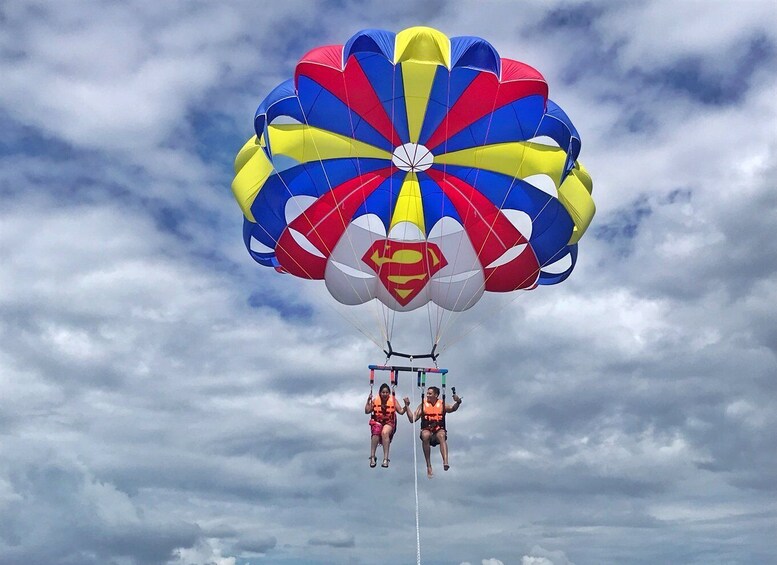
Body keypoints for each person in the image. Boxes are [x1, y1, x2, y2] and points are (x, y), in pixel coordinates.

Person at [407, 386, 462, 478]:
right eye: (427, 393)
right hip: (427, 429)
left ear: (436, 395)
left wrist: (458, 402)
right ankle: (428, 465)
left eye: (430, 393)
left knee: (441, 435)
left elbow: (453, 408)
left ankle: (445, 461)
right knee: (425, 435)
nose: (427, 395)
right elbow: (412, 419)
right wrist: (407, 406)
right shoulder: (423, 405)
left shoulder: (442, 404)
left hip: (438, 430)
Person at [365, 383, 411, 468]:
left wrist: (406, 405)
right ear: (380, 393)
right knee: (376, 432)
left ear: (389, 393)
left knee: (384, 433)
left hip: (389, 422)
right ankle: (372, 457)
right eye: (383, 392)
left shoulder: (393, 400)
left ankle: (385, 459)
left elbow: (400, 411)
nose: (385, 394)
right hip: (378, 421)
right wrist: (368, 401)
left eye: (386, 392)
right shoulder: (375, 400)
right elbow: (367, 411)